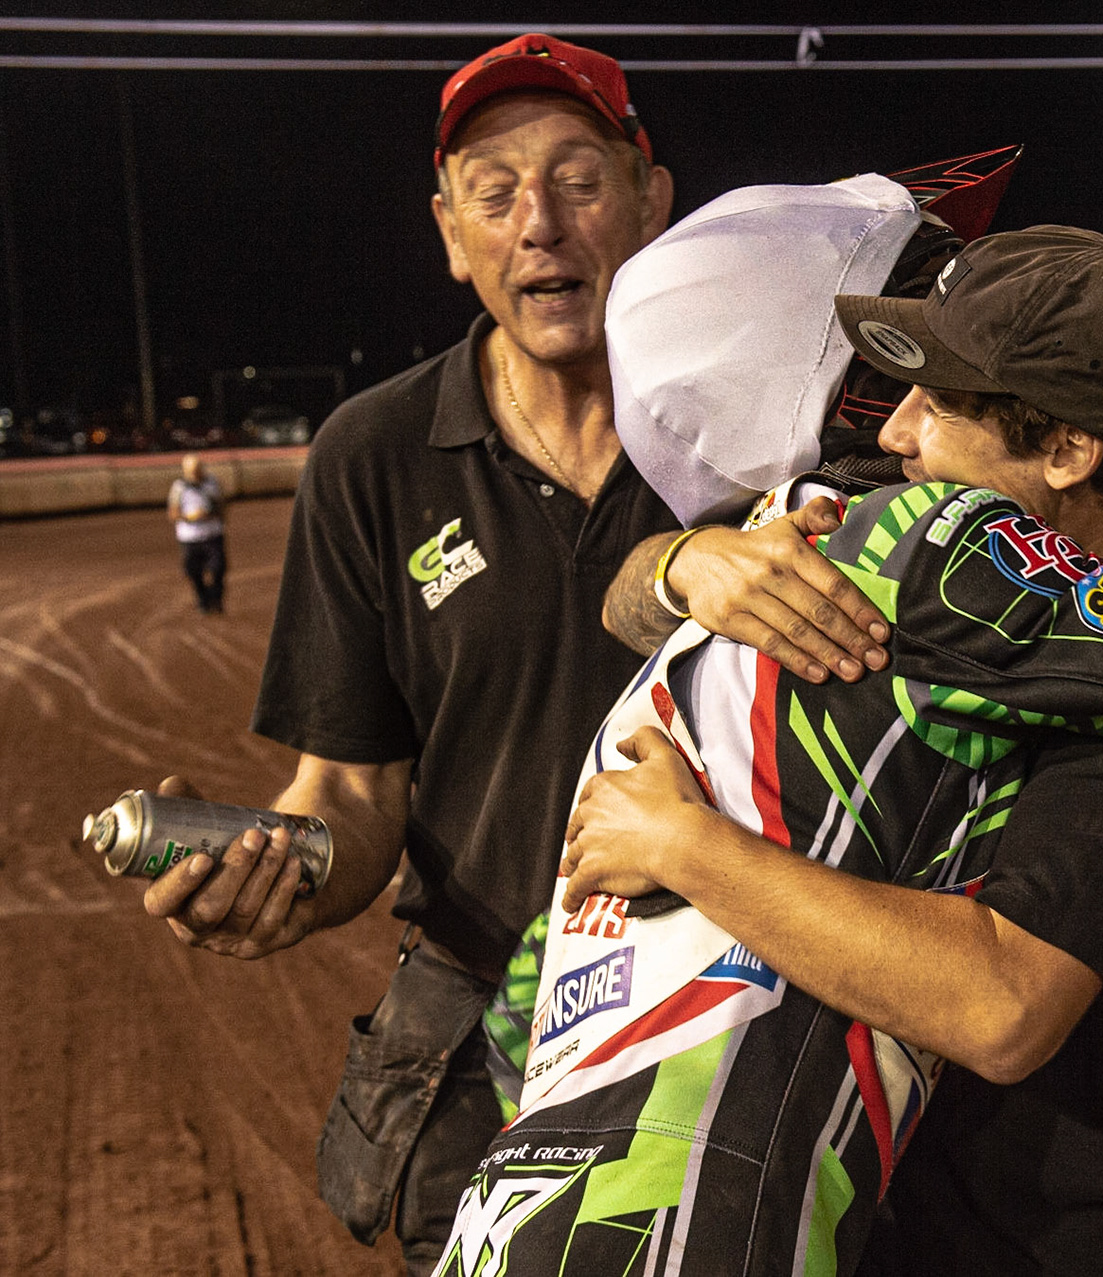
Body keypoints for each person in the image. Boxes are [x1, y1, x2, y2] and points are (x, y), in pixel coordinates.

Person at [441, 225, 1103, 1276]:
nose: (898, 439)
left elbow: (1002, 1008)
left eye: (941, 405)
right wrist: (682, 561)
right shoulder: (888, 605)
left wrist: (684, 845)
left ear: (1066, 450)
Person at [135, 33, 680, 1272]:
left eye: (579, 180)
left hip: (723, 1016)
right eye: (495, 192)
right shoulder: (369, 457)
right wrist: (280, 874)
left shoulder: (749, 428)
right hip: (477, 1045)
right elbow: (354, 793)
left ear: (651, 197)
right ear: (450, 234)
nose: (538, 223)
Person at [168, 452, 226, 613]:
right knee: (193, 571)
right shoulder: (179, 487)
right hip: (189, 537)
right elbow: (173, 513)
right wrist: (188, 517)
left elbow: (222, 506)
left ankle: (216, 597)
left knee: (218, 568)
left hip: (212, 534)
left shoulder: (212, 484)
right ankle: (202, 598)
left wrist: (209, 515)